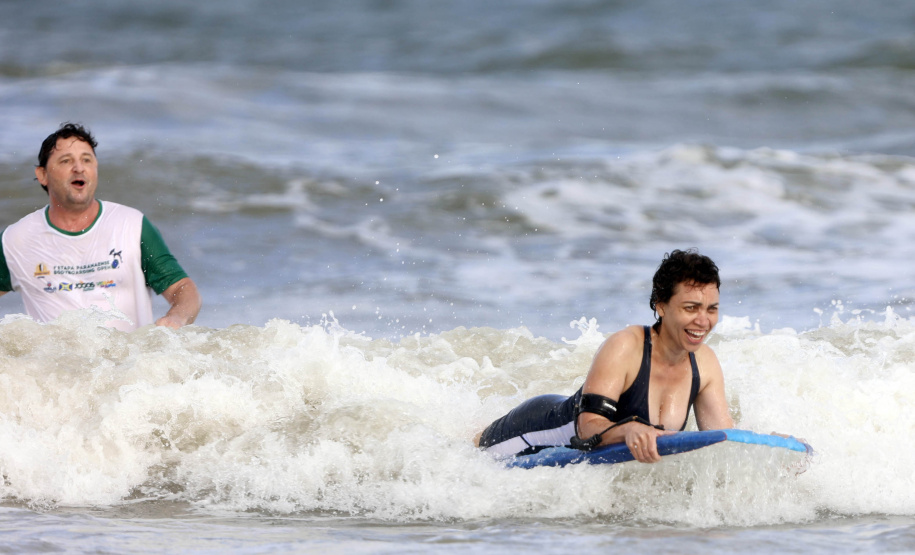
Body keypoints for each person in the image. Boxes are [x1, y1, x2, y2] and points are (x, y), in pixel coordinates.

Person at [477, 249, 733, 463]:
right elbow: (586, 428)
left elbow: (722, 440)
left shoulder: (705, 363)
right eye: (691, 308)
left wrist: (765, 446)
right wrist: (628, 430)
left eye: (712, 309)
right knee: (470, 458)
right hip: (530, 435)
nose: (703, 321)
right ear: (661, 305)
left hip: (570, 452)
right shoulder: (626, 347)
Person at [0, 122, 201, 331]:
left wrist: (176, 318)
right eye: (66, 161)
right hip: (54, 364)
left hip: (129, 362)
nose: (79, 168)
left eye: (86, 160)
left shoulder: (131, 226)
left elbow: (182, 288)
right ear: (42, 175)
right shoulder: (17, 239)